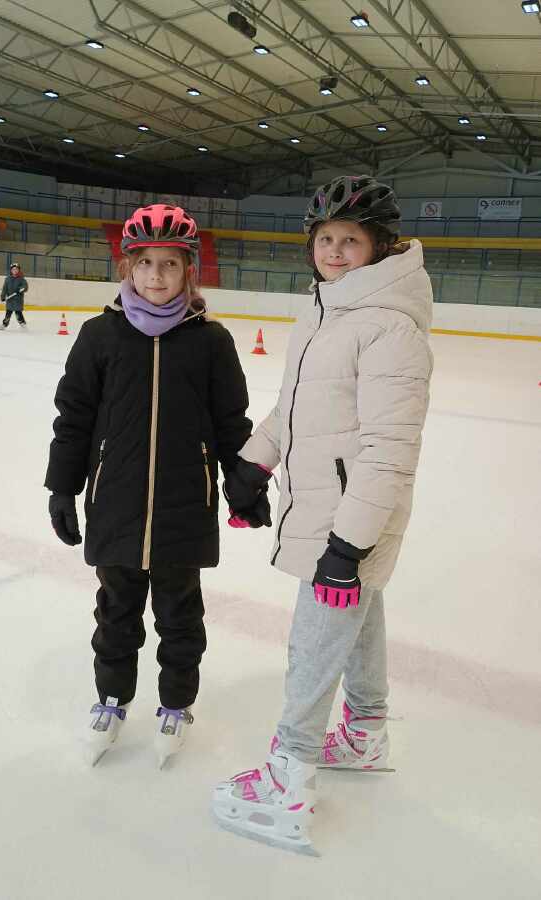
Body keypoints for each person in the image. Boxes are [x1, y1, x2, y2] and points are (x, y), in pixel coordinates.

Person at [212, 175, 434, 854]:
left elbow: (389, 450)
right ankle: (365, 733)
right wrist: (254, 463)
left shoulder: (388, 327)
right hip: (325, 508)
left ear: (379, 246)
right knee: (360, 619)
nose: (335, 250)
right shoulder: (323, 312)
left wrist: (347, 545)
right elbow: (295, 408)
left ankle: (289, 773)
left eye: (350, 240)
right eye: (326, 238)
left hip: (349, 520)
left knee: (314, 643)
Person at [44, 204, 253, 767]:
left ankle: (176, 704)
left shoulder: (210, 341)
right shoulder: (99, 336)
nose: (156, 275)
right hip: (114, 502)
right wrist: (62, 487)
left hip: (185, 506)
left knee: (180, 614)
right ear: (127, 268)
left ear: (189, 271)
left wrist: (243, 482)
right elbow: (74, 416)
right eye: (145, 263)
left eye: (170, 264)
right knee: (115, 611)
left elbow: (231, 422)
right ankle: (112, 698)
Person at [0, 262, 28, 328]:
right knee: (8, 313)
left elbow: (25, 287)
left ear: (19, 270)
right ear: (11, 270)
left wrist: (20, 289)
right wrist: (2, 296)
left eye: (16, 269)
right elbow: (4, 289)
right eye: (13, 269)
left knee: (18, 313)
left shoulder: (22, 279)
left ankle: (22, 323)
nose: (15, 270)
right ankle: (4, 324)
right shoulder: (7, 279)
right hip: (10, 300)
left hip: (18, 300)